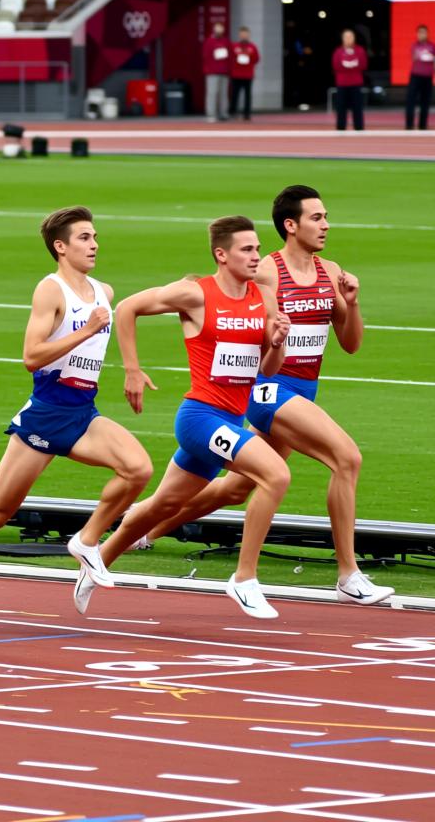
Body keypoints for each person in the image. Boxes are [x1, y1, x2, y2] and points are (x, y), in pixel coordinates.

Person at [122, 187, 393, 606]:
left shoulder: (330, 271)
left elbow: (351, 344)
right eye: (317, 218)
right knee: (346, 458)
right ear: (291, 225)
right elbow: (224, 299)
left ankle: (145, 526)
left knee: (233, 489)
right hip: (267, 389)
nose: (325, 225)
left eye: (325, 217)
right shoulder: (266, 270)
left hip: (304, 391)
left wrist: (352, 305)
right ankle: (348, 575)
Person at [0, 207, 152, 614]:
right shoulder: (50, 290)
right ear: (60, 247)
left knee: (137, 469)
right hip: (46, 414)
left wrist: (132, 369)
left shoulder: (103, 291)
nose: (94, 245)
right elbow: (31, 356)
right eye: (85, 238)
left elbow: (125, 318)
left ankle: (87, 542)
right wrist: (86, 330)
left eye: (95, 237)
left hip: (83, 412)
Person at [95, 216, 292, 620]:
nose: (257, 256)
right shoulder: (195, 294)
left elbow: (268, 370)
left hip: (231, 419)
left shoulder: (264, 296)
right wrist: (132, 369)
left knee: (162, 505)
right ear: (221, 255)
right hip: (200, 418)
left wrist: (277, 343)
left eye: (257, 248)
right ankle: (244, 579)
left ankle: (97, 559)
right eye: (247, 249)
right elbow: (127, 307)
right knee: (276, 475)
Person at [405, 24, 435, 130]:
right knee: (410, 100)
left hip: (428, 77)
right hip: (415, 76)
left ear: (427, 33)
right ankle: (409, 125)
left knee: (425, 102)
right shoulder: (415, 45)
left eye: (424, 32)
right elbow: (414, 57)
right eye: (419, 32)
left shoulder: (433, 46)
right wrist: (422, 55)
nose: (422, 34)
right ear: (417, 34)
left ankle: (422, 125)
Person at [332, 29, 367, 131]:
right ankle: (340, 128)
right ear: (342, 39)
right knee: (341, 108)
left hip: (356, 83)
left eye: (350, 36)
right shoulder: (338, 52)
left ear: (354, 38)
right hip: (342, 83)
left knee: (357, 108)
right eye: (346, 37)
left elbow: (363, 65)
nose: (348, 39)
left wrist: (349, 66)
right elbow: (336, 66)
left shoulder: (360, 50)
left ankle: (359, 128)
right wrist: (350, 66)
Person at [202, 21, 231, 123]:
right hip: (212, 72)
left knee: (224, 94)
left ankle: (223, 113)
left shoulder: (226, 41)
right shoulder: (209, 41)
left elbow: (230, 55)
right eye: (217, 27)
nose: (219, 29)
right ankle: (211, 114)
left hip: (224, 72)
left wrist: (228, 69)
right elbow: (206, 56)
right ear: (214, 28)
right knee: (212, 93)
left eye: (221, 27)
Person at [229, 26, 260, 121]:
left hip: (248, 75)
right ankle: (232, 112)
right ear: (239, 35)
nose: (244, 36)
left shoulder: (252, 47)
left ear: (248, 35)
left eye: (246, 34)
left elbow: (256, 59)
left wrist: (248, 60)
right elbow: (230, 58)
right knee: (234, 95)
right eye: (242, 34)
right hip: (236, 75)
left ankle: (247, 114)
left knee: (248, 95)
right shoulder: (234, 46)